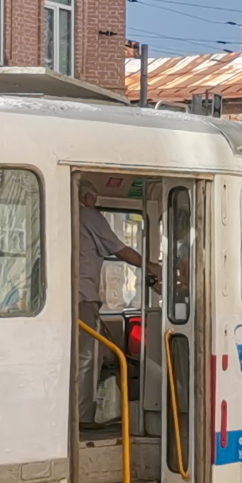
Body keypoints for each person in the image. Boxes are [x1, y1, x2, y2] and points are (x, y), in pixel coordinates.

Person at [77, 179, 157, 425]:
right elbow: (120, 249)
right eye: (94, 199)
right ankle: (83, 419)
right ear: (87, 198)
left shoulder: (71, 217)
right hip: (83, 297)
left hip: (77, 297)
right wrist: (151, 266)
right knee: (86, 358)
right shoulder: (88, 215)